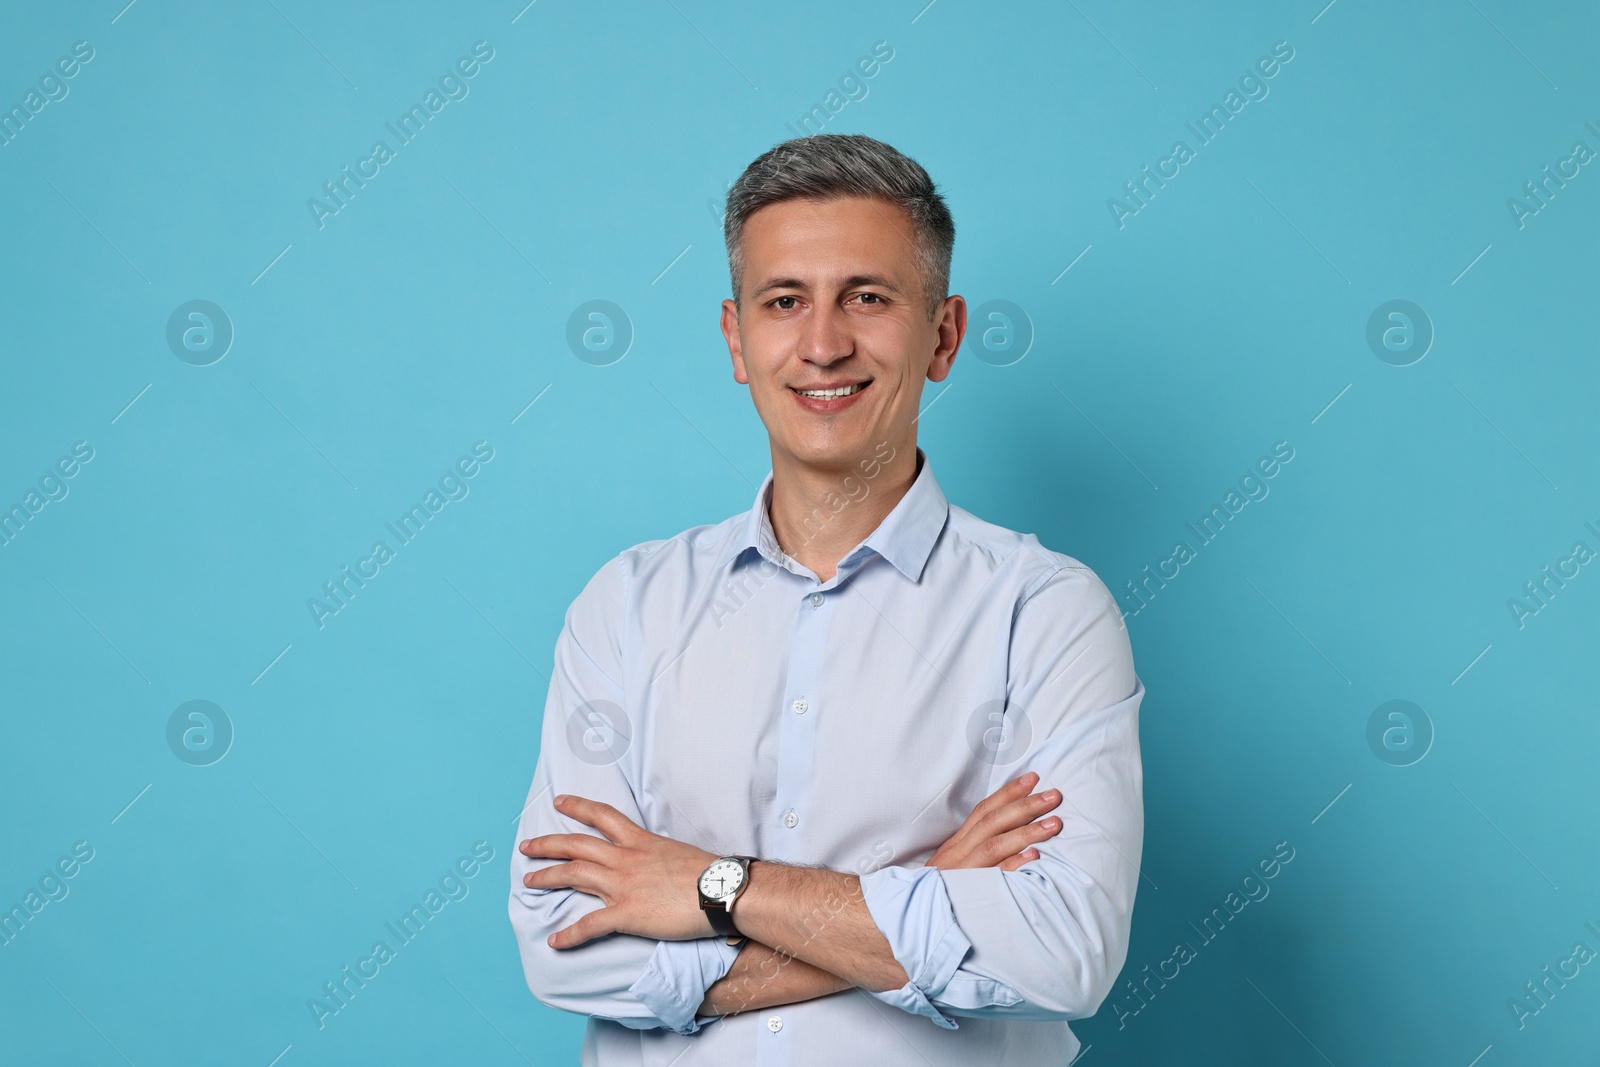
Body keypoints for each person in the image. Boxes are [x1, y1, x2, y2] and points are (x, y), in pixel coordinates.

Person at [509, 132, 1145, 1065]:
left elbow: (1060, 952)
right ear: (737, 339)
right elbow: (563, 949)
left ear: (944, 334)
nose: (822, 344)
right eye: (783, 302)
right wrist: (927, 885)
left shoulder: (1045, 612)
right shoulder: (627, 605)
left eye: (869, 297)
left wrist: (714, 887)